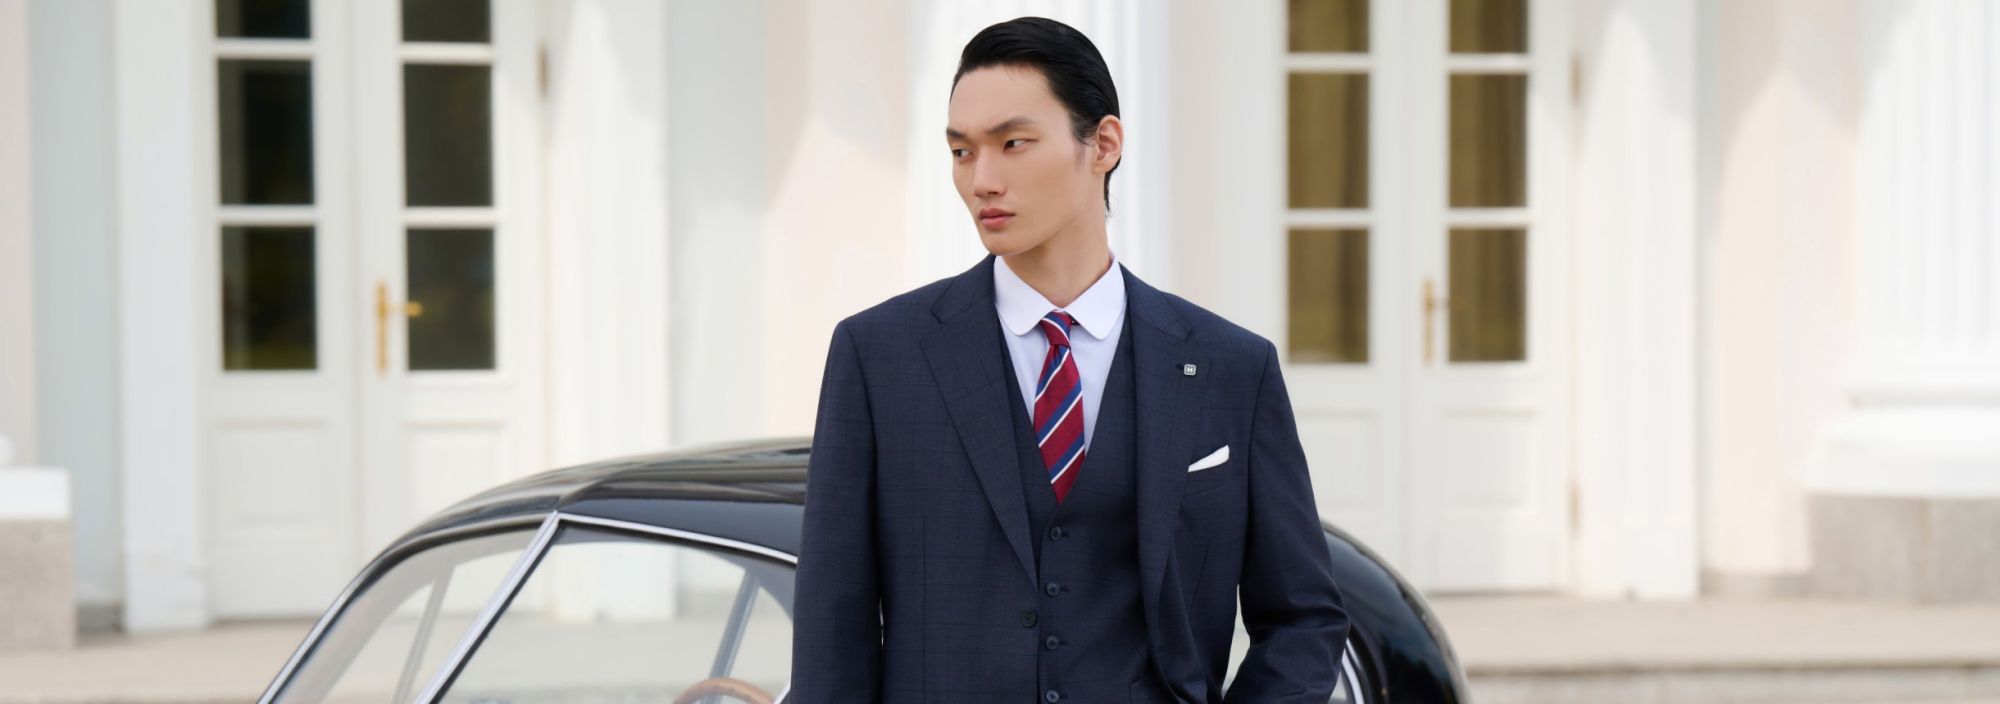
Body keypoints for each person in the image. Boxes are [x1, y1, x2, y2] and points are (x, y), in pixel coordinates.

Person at [791, 16, 1349, 703]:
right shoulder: (879, 357)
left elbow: (1303, 619)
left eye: (1013, 143)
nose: (982, 180)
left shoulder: (1232, 367)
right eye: (962, 151)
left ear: (1103, 144)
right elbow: (832, 634)